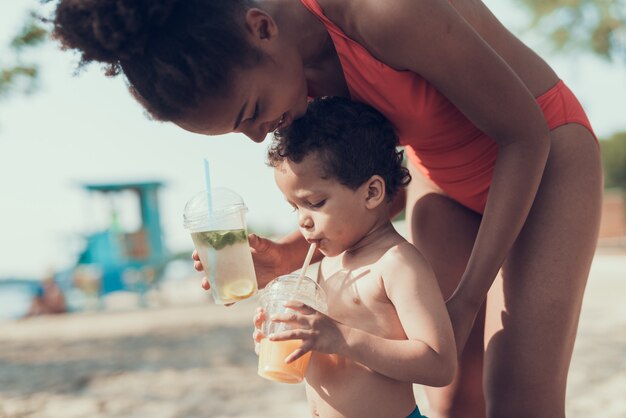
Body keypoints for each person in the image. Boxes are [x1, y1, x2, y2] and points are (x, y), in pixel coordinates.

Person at [51, 1, 603, 416]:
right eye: (238, 129)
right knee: (449, 402)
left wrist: (466, 300)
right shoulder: (289, 72)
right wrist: (288, 254)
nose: (257, 135)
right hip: (437, 175)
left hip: (543, 154)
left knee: (518, 398)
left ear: (261, 27)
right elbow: (358, 174)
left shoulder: (381, 13)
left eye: (253, 111)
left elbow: (524, 136)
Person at [256, 96, 456, 418]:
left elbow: (439, 364)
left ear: (372, 192)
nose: (302, 221)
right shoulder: (326, 261)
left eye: (315, 203)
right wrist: (289, 341)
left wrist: (344, 338)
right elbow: (331, 358)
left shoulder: (396, 263)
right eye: (295, 207)